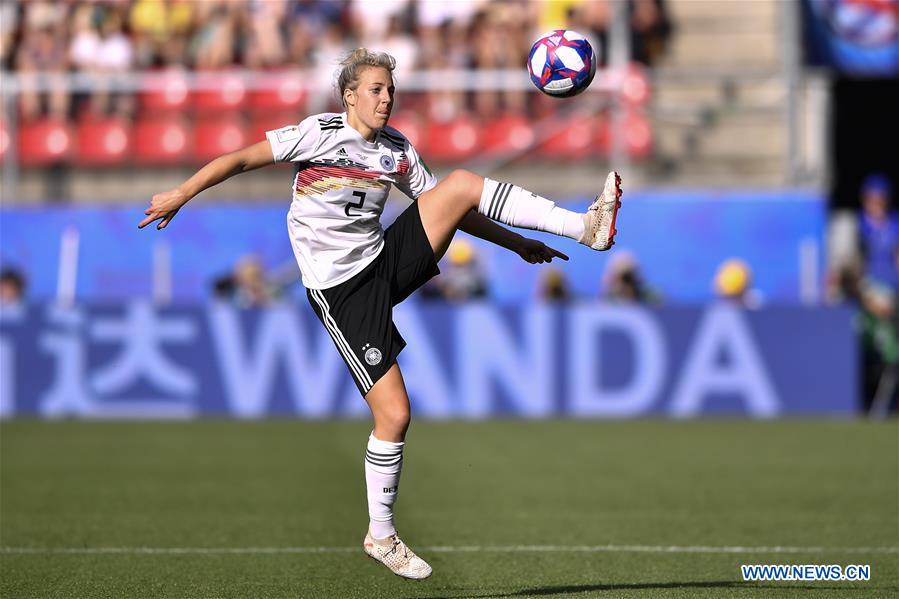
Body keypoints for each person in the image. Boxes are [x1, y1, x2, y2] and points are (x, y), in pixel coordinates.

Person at [139, 48, 622, 580]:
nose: (386, 98)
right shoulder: (317, 133)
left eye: (391, 90)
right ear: (349, 95)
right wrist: (182, 193)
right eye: (375, 89)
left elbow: (456, 209)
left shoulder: (396, 151)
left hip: (383, 262)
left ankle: (584, 227)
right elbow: (238, 159)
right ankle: (381, 533)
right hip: (342, 293)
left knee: (459, 185)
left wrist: (517, 245)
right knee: (394, 415)